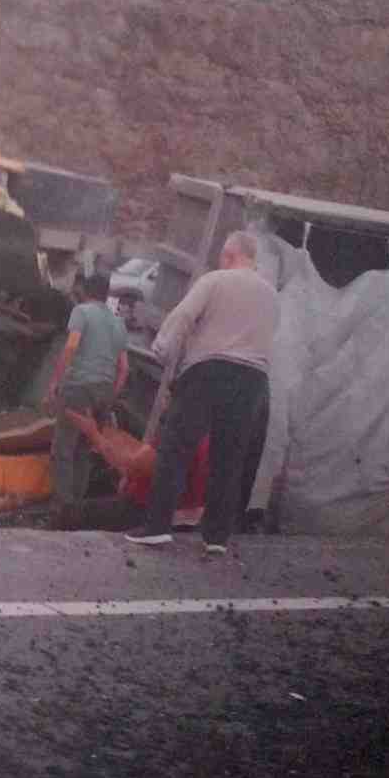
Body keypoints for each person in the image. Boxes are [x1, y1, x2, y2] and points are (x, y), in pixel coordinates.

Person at [125, 230, 278, 554]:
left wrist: (163, 350)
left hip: (208, 370)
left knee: (175, 448)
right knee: (229, 458)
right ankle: (217, 538)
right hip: (253, 380)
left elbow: (183, 316)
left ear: (229, 254)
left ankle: (157, 527)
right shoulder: (271, 294)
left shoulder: (215, 280)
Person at [43, 271, 129, 520]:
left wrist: (55, 383)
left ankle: (62, 508)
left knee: (63, 449)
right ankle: (78, 508)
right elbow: (124, 368)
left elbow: (70, 348)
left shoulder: (81, 312)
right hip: (104, 390)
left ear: (85, 291)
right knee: (84, 449)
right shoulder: (118, 323)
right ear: (106, 294)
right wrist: (110, 394)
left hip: (79, 388)